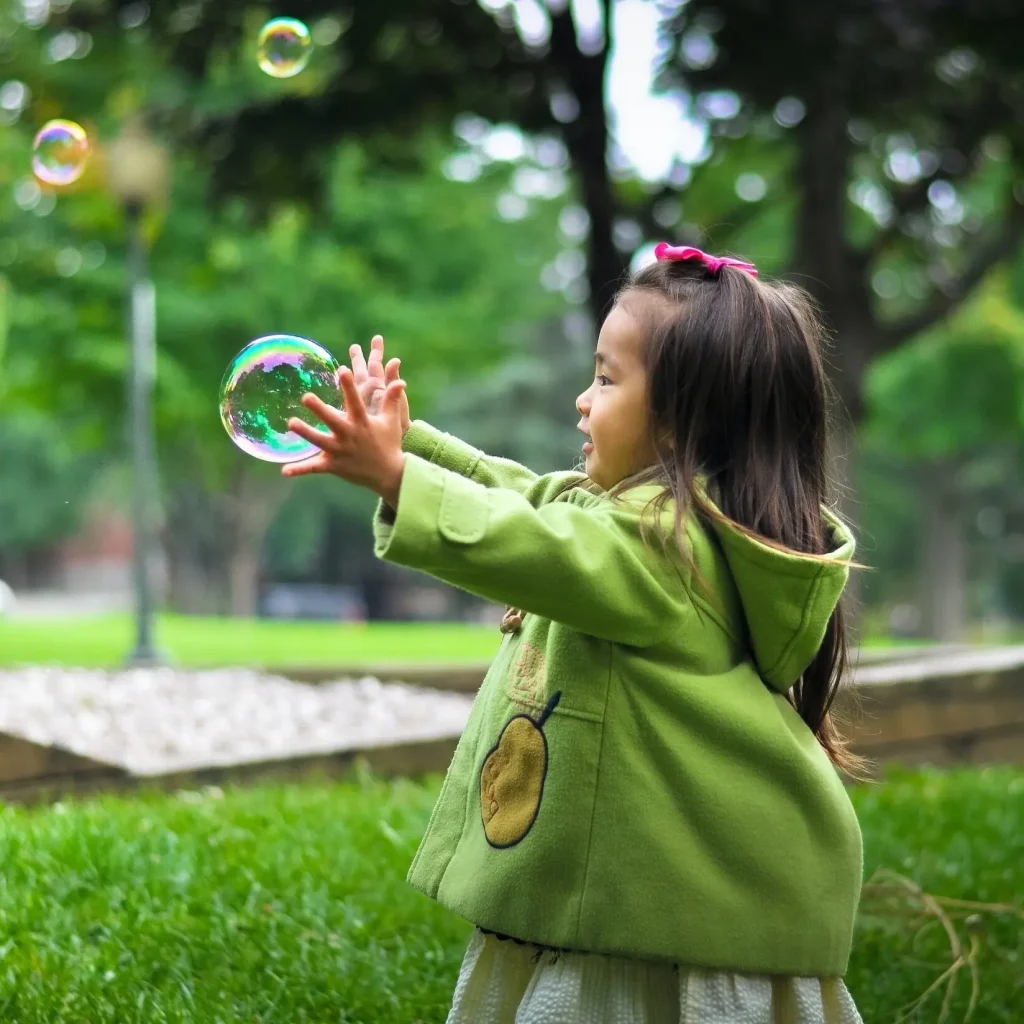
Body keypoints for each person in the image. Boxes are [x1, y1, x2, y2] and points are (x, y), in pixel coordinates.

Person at [281, 242, 868, 1023]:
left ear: (677, 422)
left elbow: (528, 541)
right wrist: (410, 443)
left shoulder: (665, 550)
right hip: (635, 902)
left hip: (659, 928)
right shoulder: (643, 519)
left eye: (605, 377)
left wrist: (396, 479)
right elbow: (523, 494)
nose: (582, 402)